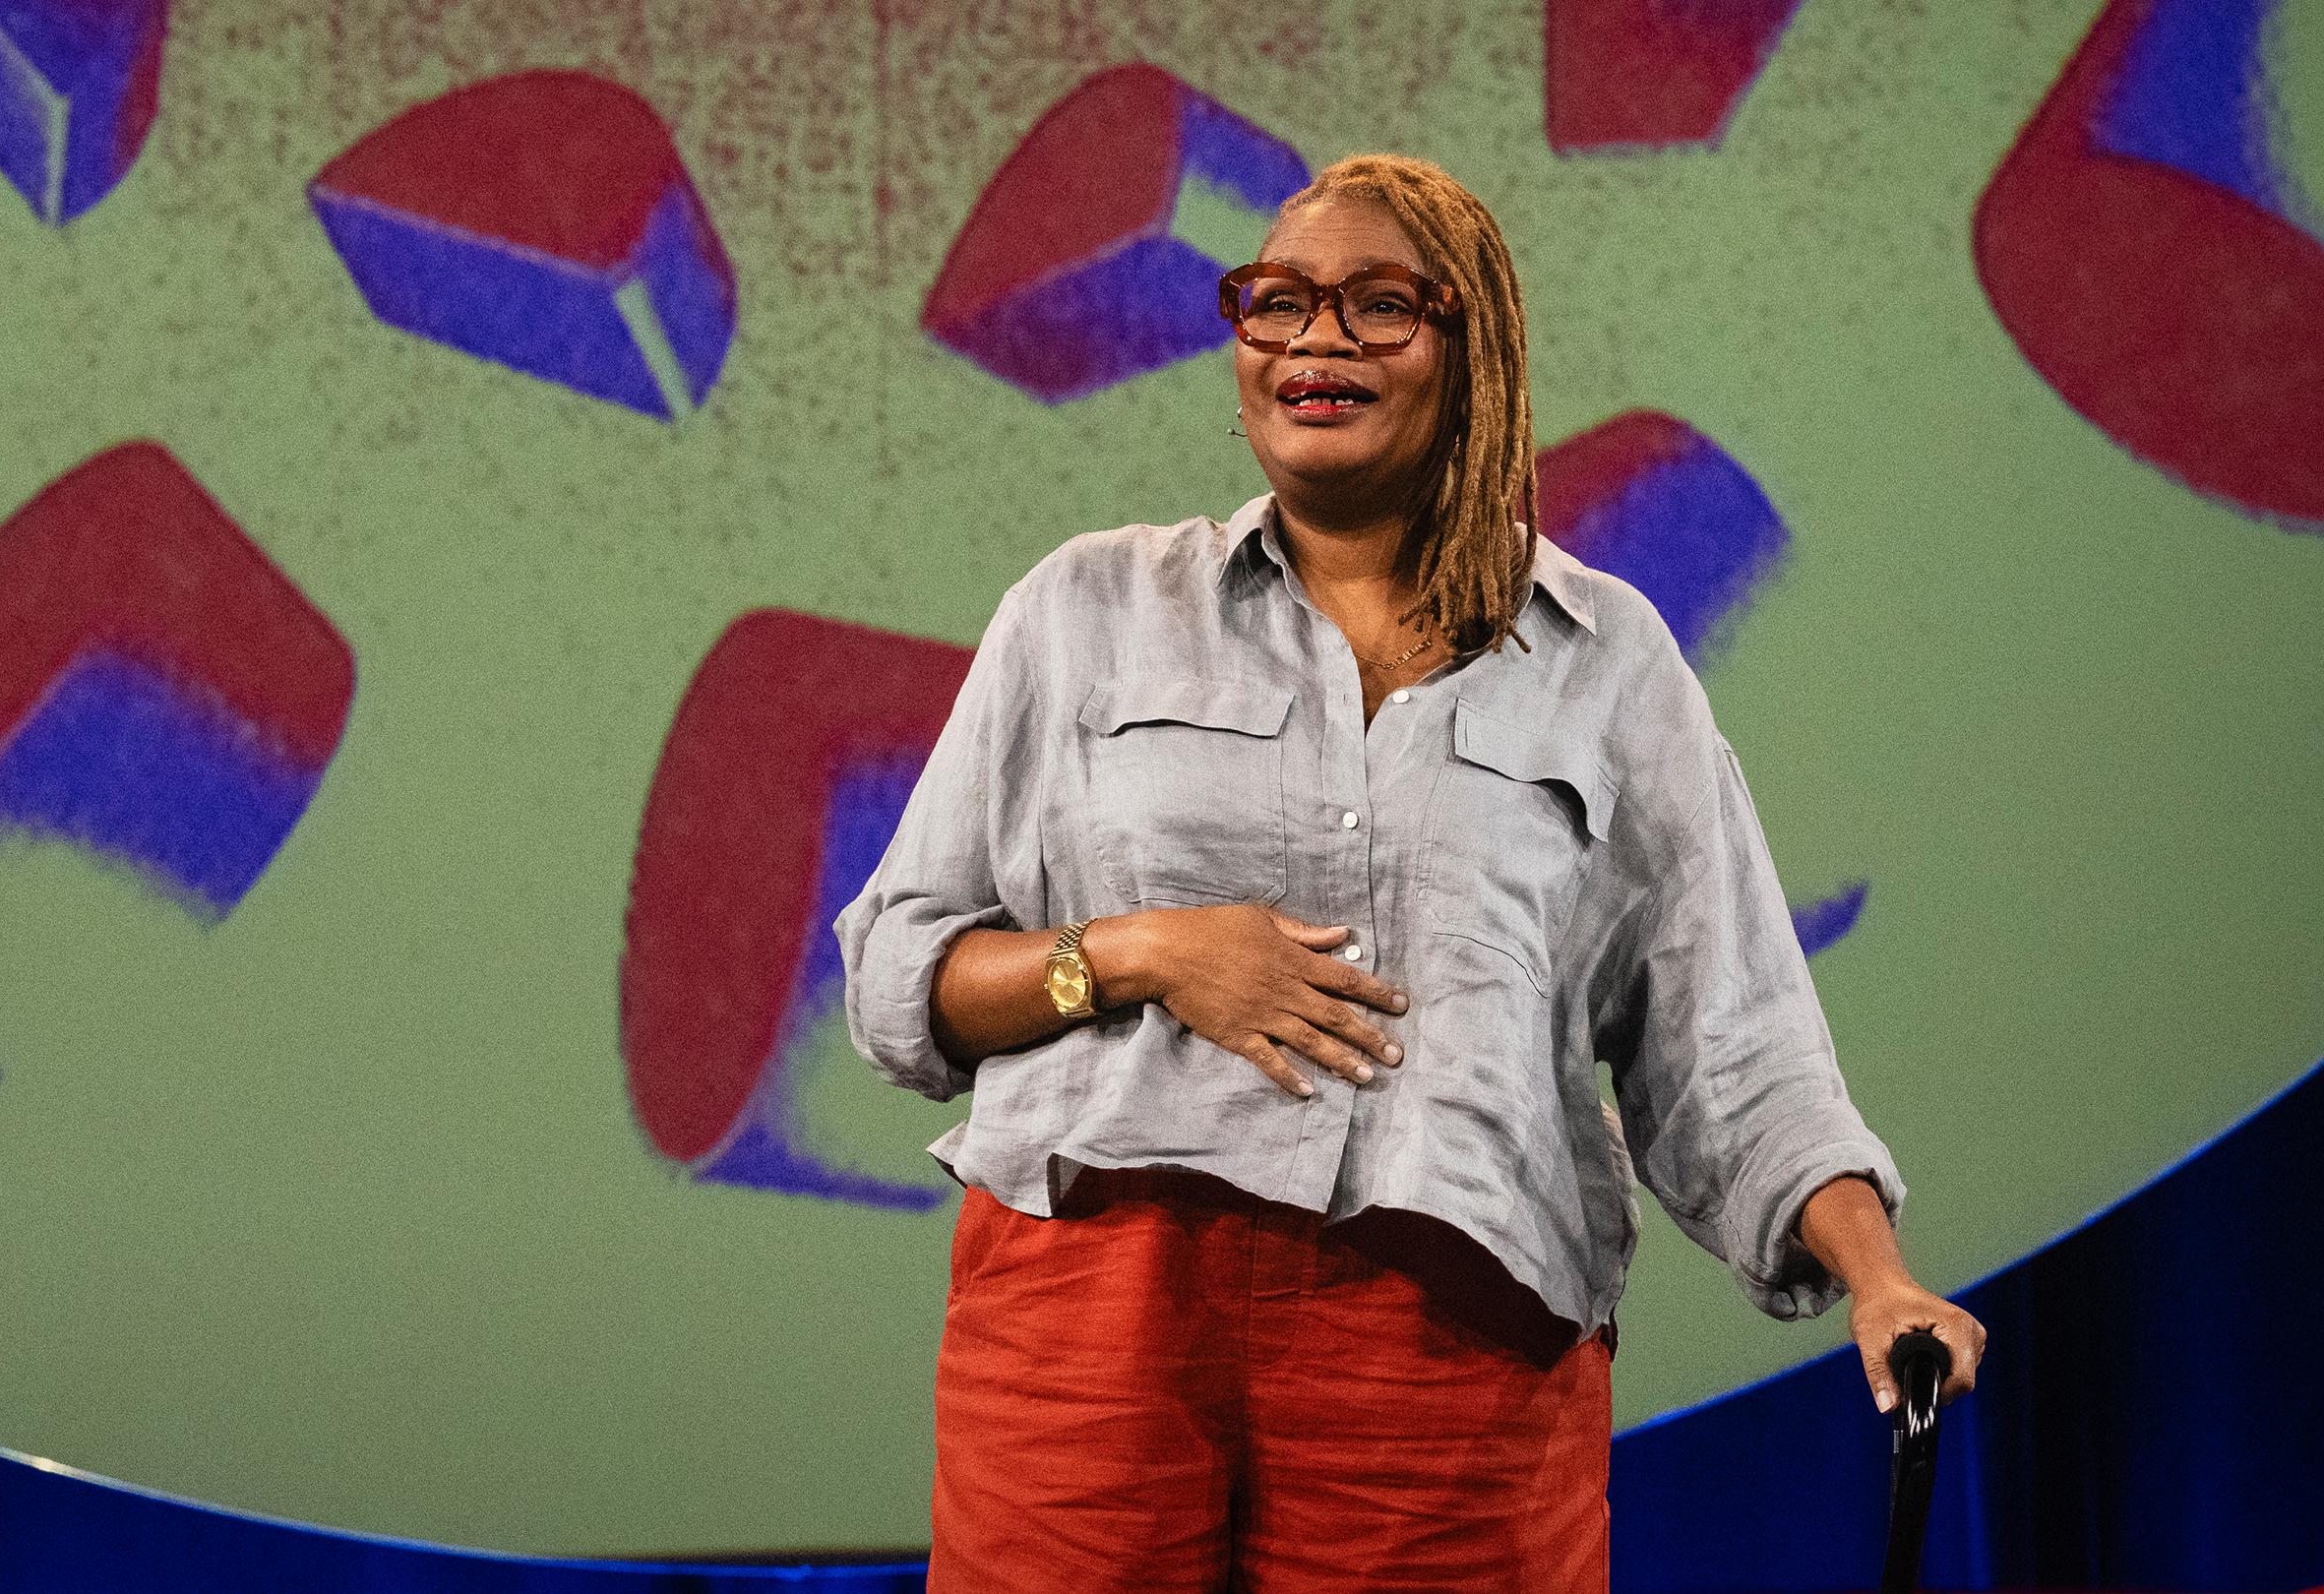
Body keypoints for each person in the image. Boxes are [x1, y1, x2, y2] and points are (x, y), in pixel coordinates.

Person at [831, 153, 1987, 1591]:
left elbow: (1734, 1045)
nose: (1315, 339)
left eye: (1379, 304)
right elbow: (901, 977)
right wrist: (1141, 953)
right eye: (1278, 302)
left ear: (1472, 349)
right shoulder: (1087, 610)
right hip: (1098, 1320)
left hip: (1449, 1349)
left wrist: (1879, 1277)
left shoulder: (1605, 662)